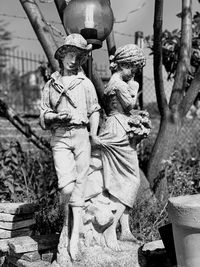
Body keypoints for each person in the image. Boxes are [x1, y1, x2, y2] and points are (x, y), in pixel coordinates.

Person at [40, 33, 100, 261]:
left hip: (81, 135)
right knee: (66, 188)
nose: (74, 60)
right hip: (61, 137)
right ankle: (69, 223)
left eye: (79, 56)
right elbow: (43, 115)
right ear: (63, 54)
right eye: (71, 54)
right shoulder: (51, 84)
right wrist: (55, 116)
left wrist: (93, 134)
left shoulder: (85, 83)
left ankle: (74, 237)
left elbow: (94, 110)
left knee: (80, 186)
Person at [84, 44, 151, 250]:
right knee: (132, 179)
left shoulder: (115, 82)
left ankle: (125, 229)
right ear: (125, 64)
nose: (135, 72)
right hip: (118, 129)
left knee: (119, 181)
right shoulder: (119, 84)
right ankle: (110, 227)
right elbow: (129, 106)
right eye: (134, 67)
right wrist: (135, 87)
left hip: (116, 126)